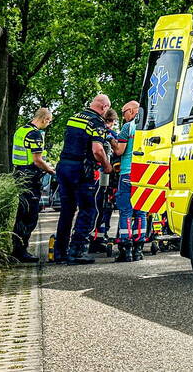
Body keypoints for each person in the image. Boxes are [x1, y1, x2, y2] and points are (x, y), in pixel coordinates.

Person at [54, 94, 113, 265]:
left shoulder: (74, 117)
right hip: (81, 169)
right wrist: (107, 165)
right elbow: (97, 150)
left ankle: (60, 252)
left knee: (67, 210)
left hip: (64, 166)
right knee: (88, 210)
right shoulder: (96, 122)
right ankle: (77, 251)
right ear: (104, 107)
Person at [11, 107, 55, 263]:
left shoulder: (21, 130)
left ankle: (17, 248)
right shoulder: (34, 134)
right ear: (44, 119)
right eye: (49, 121)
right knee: (30, 215)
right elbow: (37, 160)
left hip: (19, 173)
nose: (48, 124)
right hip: (29, 177)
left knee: (21, 213)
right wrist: (50, 170)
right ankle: (21, 251)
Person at [113, 100, 147, 262]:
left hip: (127, 172)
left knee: (126, 210)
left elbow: (120, 150)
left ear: (133, 111)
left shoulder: (128, 127)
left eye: (124, 112)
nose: (123, 116)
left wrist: (111, 140)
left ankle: (126, 250)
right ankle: (139, 249)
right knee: (141, 211)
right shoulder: (149, 126)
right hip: (144, 173)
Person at [90, 108, 120, 253]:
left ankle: (94, 236)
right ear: (112, 121)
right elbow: (117, 152)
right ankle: (100, 237)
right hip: (106, 176)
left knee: (95, 207)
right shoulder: (112, 135)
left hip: (93, 174)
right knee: (104, 207)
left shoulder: (95, 130)